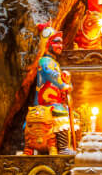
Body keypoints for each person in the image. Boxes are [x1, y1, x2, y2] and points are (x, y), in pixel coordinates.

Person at [31, 23, 73, 154]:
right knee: (61, 114)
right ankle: (63, 148)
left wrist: (66, 81)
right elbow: (51, 75)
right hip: (45, 104)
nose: (60, 46)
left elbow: (59, 77)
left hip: (55, 101)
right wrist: (64, 84)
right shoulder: (44, 61)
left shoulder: (55, 63)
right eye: (56, 42)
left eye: (61, 43)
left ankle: (67, 146)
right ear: (48, 43)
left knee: (72, 116)